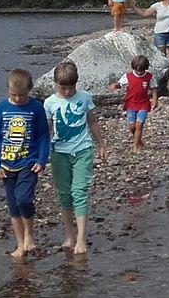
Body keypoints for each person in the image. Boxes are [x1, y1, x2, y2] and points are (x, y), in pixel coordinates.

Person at [0, 69, 51, 258]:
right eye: (13, 95)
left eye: (22, 95)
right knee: (13, 205)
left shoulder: (36, 108)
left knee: (24, 199)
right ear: (8, 90)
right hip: (7, 165)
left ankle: (29, 235)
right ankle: (20, 244)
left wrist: (41, 160)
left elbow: (43, 136)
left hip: (28, 163)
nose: (17, 99)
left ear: (29, 90)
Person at [42, 61, 104, 255]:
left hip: (83, 151)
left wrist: (101, 144)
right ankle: (69, 235)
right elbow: (48, 130)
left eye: (71, 87)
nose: (68, 91)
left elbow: (92, 122)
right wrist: (41, 153)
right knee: (64, 194)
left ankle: (81, 239)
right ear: (55, 84)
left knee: (79, 192)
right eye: (63, 87)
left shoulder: (84, 97)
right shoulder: (49, 102)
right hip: (59, 152)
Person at [108, 54, 157, 152]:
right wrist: (115, 86)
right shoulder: (128, 76)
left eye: (141, 70)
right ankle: (138, 139)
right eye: (137, 70)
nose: (139, 73)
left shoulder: (149, 77)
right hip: (131, 104)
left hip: (143, 104)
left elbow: (154, 88)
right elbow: (120, 84)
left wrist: (155, 100)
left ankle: (135, 146)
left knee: (139, 125)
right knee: (131, 126)